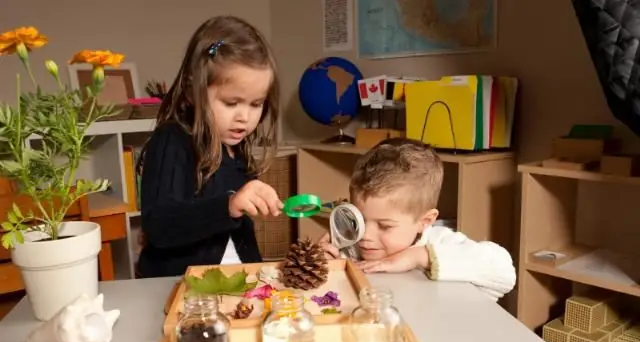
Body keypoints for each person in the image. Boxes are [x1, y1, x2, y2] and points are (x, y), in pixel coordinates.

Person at [136, 16, 283, 278]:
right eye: (231, 103)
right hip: (179, 288)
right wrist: (228, 206)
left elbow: (237, 237)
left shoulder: (235, 148)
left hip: (231, 286)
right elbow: (159, 225)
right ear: (193, 92)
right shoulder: (172, 141)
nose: (244, 117)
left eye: (256, 104)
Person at [319, 138, 516, 302]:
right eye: (359, 221)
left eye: (384, 226)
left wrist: (418, 257)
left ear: (425, 221)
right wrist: (326, 262)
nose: (365, 235)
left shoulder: (438, 242)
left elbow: (504, 272)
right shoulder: (353, 246)